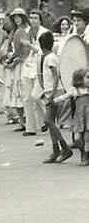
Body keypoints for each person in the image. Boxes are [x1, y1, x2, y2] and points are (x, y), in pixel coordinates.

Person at [37, 31, 71, 164]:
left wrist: (51, 94)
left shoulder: (49, 58)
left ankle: (64, 147)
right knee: (50, 121)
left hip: (54, 93)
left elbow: (56, 76)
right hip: (51, 91)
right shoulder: (52, 57)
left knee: (48, 121)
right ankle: (56, 149)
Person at [20, 9, 48, 137]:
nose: (33, 20)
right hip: (27, 67)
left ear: (40, 20)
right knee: (27, 98)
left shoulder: (45, 33)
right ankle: (30, 128)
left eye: (36, 18)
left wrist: (30, 46)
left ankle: (45, 121)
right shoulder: (26, 33)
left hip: (39, 68)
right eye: (31, 18)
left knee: (36, 96)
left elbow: (43, 51)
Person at [54, 68, 89, 166]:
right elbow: (65, 96)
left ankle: (84, 156)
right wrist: (54, 100)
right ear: (79, 79)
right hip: (79, 117)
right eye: (87, 77)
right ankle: (81, 149)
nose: (88, 79)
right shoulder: (75, 90)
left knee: (86, 138)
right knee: (78, 138)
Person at [9, 8, 32, 133]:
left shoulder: (29, 30)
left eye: (19, 17)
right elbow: (12, 47)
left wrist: (19, 58)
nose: (17, 19)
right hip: (16, 63)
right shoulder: (14, 32)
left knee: (26, 91)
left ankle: (29, 121)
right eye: (15, 17)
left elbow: (27, 49)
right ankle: (22, 121)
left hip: (27, 63)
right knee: (16, 92)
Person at [0, 21, 23, 125]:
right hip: (9, 69)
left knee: (17, 89)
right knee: (9, 89)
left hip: (17, 68)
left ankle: (18, 114)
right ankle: (11, 114)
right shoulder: (6, 43)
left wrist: (13, 61)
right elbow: (1, 55)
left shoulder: (17, 42)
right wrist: (5, 62)